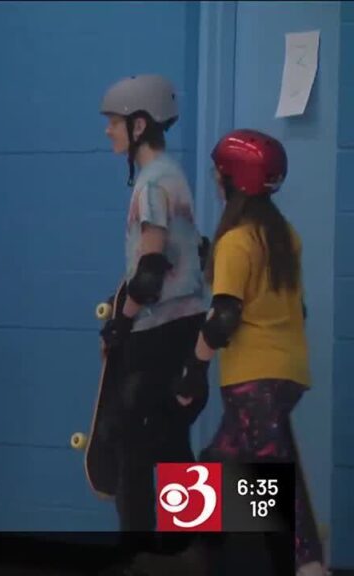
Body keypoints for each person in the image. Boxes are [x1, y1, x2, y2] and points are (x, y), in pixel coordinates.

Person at [172, 129, 327, 576]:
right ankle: (199, 558)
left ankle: (309, 564)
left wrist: (192, 371)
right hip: (288, 371)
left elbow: (223, 319)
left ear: (231, 180)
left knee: (276, 479)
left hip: (253, 379)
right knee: (217, 465)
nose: (215, 181)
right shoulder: (283, 236)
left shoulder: (237, 241)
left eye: (218, 174)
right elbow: (297, 307)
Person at [97, 74, 210, 552]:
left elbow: (149, 271)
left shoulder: (150, 186)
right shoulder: (173, 174)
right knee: (172, 447)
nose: (108, 131)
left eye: (115, 123)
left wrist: (119, 324)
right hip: (186, 327)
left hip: (156, 331)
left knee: (135, 452)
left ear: (139, 124)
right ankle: (189, 553)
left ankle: (143, 557)